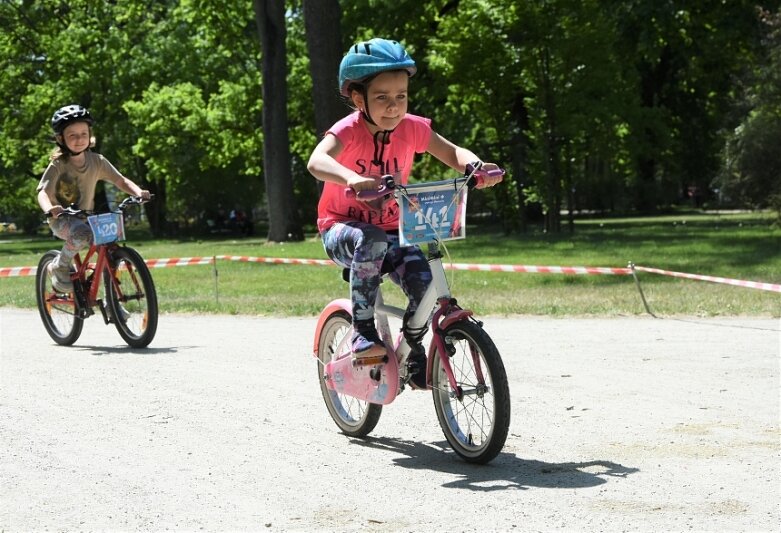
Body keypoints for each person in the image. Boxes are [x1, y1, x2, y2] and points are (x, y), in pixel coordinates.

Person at [307, 38, 502, 389]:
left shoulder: (413, 129)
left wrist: (474, 166)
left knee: (425, 288)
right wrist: (351, 177)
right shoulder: (348, 131)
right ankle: (363, 332)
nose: (394, 106)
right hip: (341, 229)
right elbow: (316, 161)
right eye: (382, 97)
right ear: (358, 99)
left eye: (401, 96)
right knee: (371, 238)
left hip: (393, 230)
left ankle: (412, 349)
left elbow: (453, 151)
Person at [36, 104, 151, 293]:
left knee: (109, 252)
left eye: (83, 133)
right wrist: (51, 209)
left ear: (90, 135)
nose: (79, 139)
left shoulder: (97, 161)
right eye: (72, 135)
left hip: (87, 219)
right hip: (61, 219)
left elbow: (120, 181)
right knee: (81, 234)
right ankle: (59, 265)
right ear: (60, 139)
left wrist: (138, 192)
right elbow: (42, 192)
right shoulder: (58, 164)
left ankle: (113, 304)